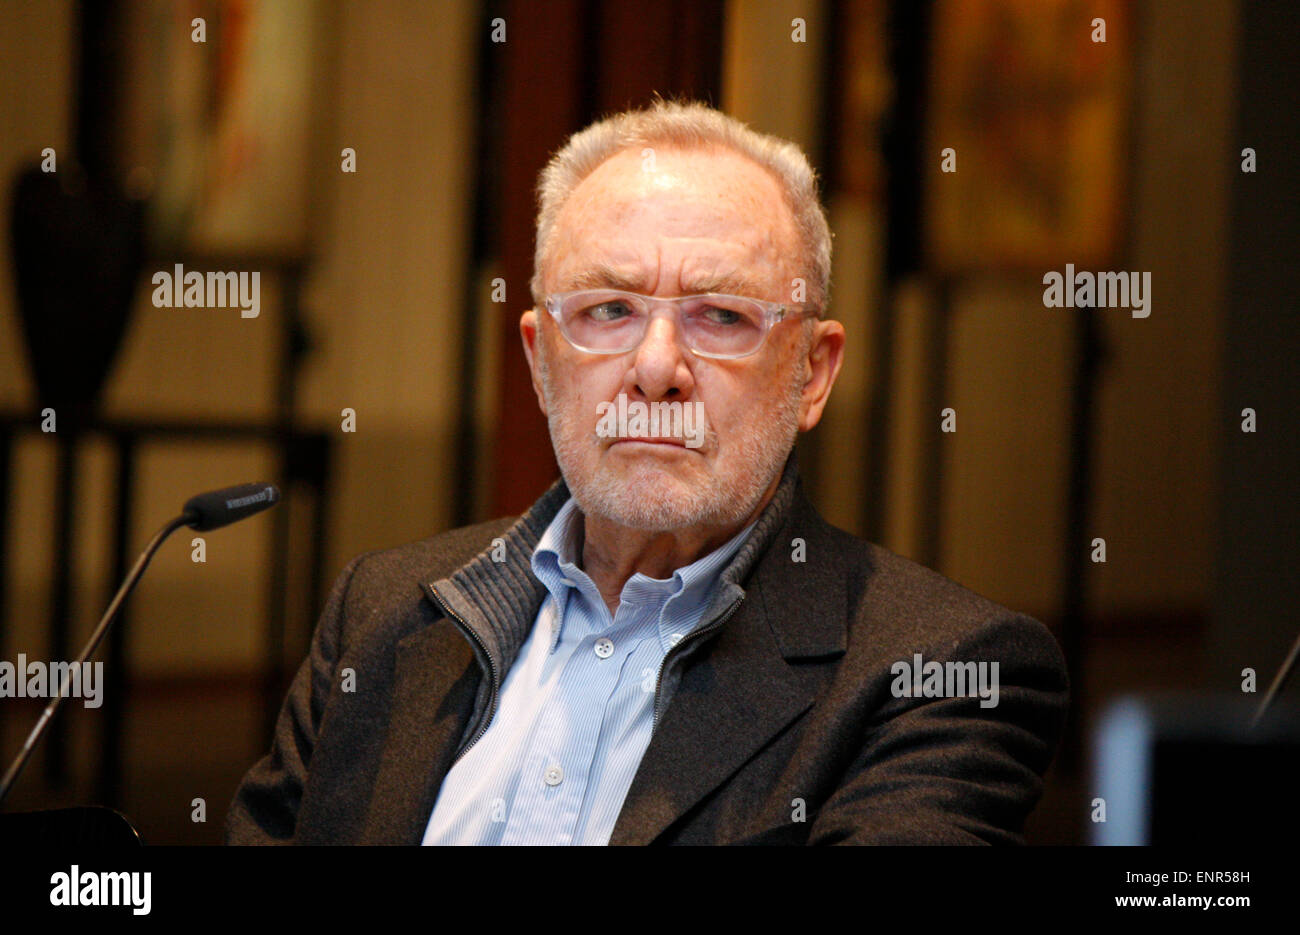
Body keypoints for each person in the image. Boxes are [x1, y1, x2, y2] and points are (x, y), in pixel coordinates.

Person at [226, 100, 1068, 845]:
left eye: (723, 316)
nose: (657, 366)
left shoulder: (943, 674)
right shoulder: (383, 612)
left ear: (812, 372)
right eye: (608, 310)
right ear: (540, 360)